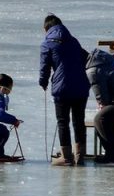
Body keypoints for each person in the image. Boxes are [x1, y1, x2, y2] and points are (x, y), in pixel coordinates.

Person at [38, 14, 90, 166]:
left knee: (63, 122)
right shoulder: (73, 41)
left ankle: (66, 157)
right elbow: (85, 58)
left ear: (45, 28)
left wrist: (43, 82)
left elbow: (44, 67)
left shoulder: (47, 43)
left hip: (62, 88)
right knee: (78, 121)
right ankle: (79, 156)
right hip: (81, 86)